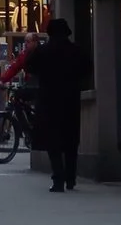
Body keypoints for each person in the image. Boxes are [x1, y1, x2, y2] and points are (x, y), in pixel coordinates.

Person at [16, 18, 88, 192]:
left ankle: (58, 178)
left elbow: (29, 65)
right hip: (71, 99)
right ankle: (71, 177)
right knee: (71, 140)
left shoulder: (44, 51)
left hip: (50, 99)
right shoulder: (76, 50)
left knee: (53, 141)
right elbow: (86, 69)